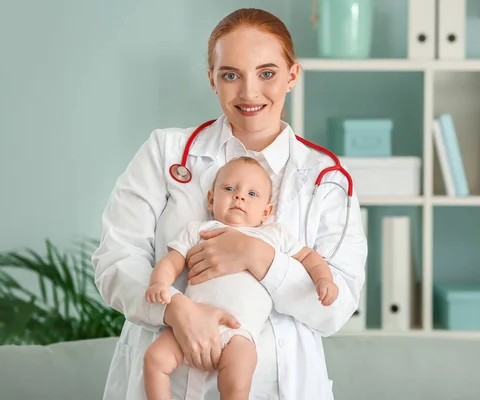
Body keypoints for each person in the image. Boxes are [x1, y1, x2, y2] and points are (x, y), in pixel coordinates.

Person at [91, 7, 367, 400]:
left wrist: (258, 257)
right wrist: (174, 309)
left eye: (267, 73)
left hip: (276, 388)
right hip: (161, 380)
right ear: (212, 80)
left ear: (292, 76)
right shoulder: (165, 153)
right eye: (230, 74)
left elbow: (334, 307)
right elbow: (115, 259)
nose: (249, 92)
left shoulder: (328, 180)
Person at [143, 156, 339, 400]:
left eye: (253, 194)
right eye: (229, 189)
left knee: (237, 381)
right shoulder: (199, 230)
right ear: (211, 199)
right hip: (191, 322)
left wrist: (324, 280)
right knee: (154, 359)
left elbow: (310, 257)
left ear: (266, 212)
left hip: (239, 331)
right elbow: (172, 260)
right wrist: (160, 283)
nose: (239, 196)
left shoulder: (272, 235)